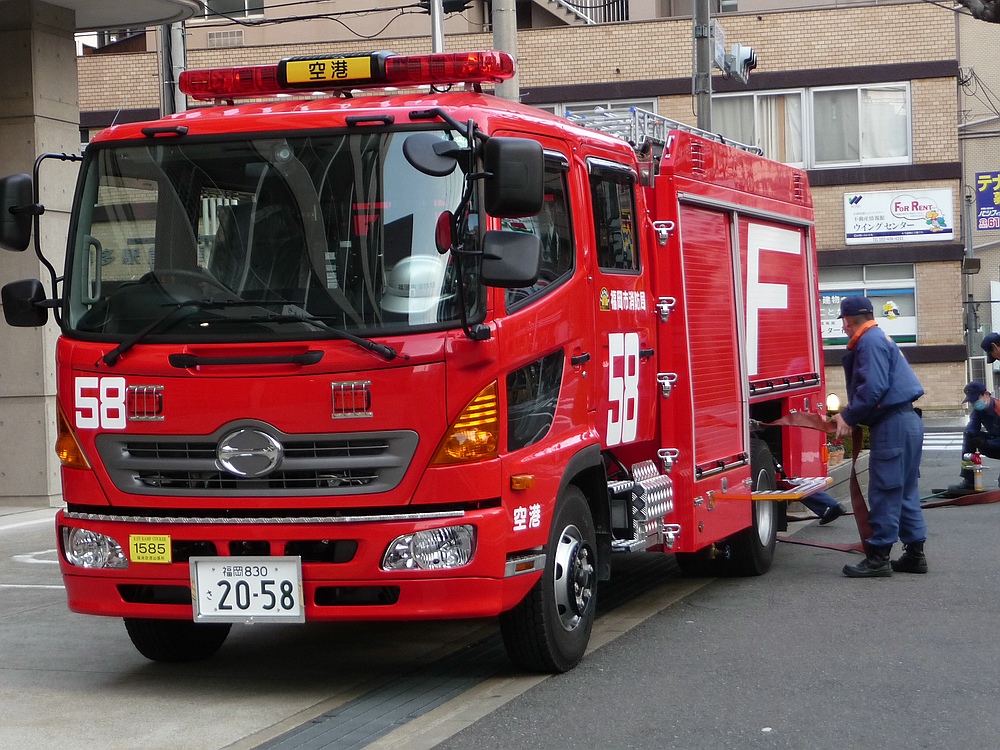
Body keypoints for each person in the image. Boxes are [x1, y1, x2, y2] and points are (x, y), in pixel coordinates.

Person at [831, 295, 928, 577]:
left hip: (892, 424)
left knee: (885, 490)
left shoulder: (869, 342)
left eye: (844, 324)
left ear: (847, 321)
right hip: (907, 421)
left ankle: (878, 557)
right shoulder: (881, 338)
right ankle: (915, 554)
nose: (845, 328)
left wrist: (848, 416)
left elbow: (873, 388)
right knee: (905, 489)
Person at [948, 380, 1000, 493]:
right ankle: (969, 480)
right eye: (972, 401)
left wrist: (987, 444)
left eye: (976, 399)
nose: (974, 403)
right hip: (995, 441)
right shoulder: (978, 410)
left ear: (986, 394)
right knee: (968, 437)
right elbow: (972, 426)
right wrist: (970, 434)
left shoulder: (999, 409)